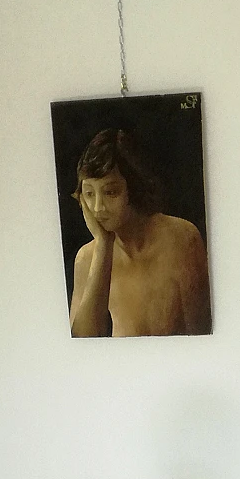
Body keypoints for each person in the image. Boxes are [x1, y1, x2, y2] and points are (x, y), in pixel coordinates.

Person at [69, 129, 212, 338]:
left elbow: (202, 334)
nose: (98, 207)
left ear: (132, 189)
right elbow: (82, 344)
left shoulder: (182, 238)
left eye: (110, 192)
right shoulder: (86, 258)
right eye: (89, 194)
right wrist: (103, 244)